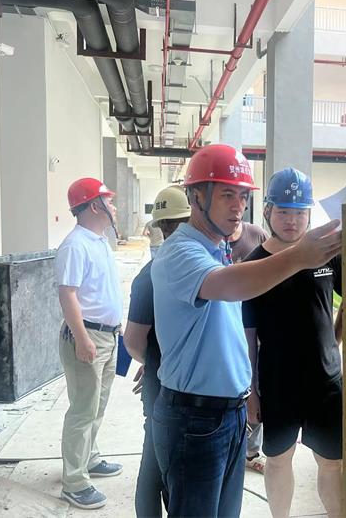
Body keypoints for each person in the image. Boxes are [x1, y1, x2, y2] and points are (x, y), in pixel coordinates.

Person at [150, 144, 341, 518]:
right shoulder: (181, 252)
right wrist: (299, 255)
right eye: (226, 194)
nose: (238, 206)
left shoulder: (217, 249)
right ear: (195, 196)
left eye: (242, 196)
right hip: (195, 417)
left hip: (228, 415)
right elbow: (229, 286)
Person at [242, 167, 344, 518]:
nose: (292, 220)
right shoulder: (255, 264)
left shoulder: (327, 254)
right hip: (278, 383)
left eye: (300, 212)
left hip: (325, 382)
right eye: (284, 211)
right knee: (278, 459)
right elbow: (248, 334)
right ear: (268, 210)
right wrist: (252, 391)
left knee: (331, 462)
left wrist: (334, 340)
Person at [54, 178, 124, 510]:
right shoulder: (75, 245)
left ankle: (89, 458)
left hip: (107, 335)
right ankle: (74, 482)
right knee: (83, 409)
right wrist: (82, 338)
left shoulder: (99, 242)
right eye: (109, 202)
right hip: (88, 337)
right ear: (95, 206)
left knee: (98, 405)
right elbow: (67, 294)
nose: (114, 208)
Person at [124, 185, 191, 518]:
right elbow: (134, 341)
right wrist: (155, 364)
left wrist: (153, 362)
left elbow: (135, 343)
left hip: (162, 382)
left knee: (153, 461)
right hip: (177, 387)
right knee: (163, 468)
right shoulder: (165, 273)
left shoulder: (149, 274)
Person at [229, 220, 269, 475]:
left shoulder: (255, 234)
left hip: (255, 323)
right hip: (230, 324)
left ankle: (252, 451)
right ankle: (233, 447)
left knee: (256, 385)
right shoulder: (214, 240)